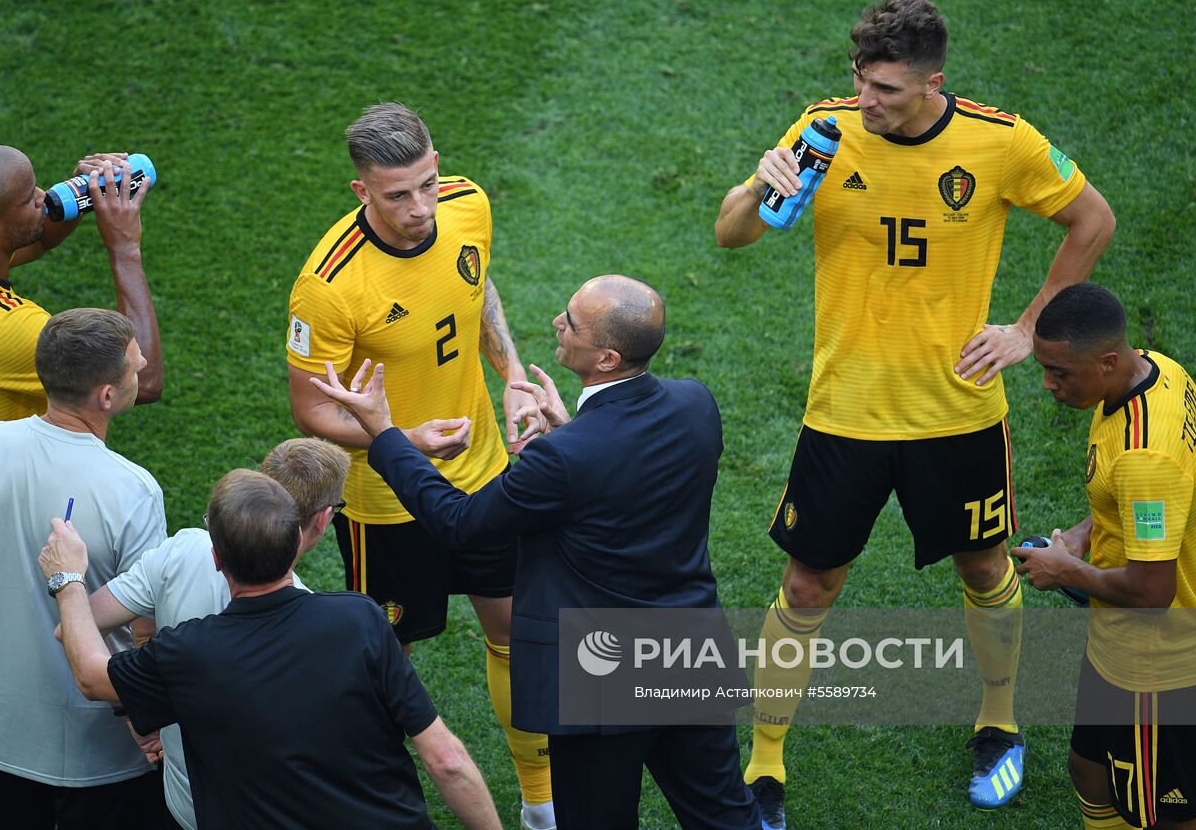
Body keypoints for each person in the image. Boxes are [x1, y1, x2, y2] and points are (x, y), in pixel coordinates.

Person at [712, 0, 1117, 820]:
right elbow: (731, 236)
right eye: (862, 82)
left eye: (888, 90)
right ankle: (763, 768)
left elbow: (1091, 218)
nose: (868, 102)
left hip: (957, 412)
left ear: (935, 81)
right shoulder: (823, 126)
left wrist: (1028, 327)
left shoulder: (999, 142)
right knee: (809, 583)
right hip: (845, 411)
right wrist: (761, 185)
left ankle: (999, 724)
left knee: (983, 565)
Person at [314, 275, 762, 830]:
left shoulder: (565, 460)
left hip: (600, 672)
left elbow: (461, 523)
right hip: (688, 653)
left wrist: (384, 432)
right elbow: (624, 475)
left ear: (607, 357)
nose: (556, 322)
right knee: (724, 815)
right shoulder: (696, 403)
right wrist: (570, 434)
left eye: (571, 320)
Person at [285, 101, 551, 827]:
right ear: (361, 191)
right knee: (383, 665)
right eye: (399, 194)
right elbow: (310, 411)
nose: (421, 207)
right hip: (386, 505)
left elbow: (477, 287)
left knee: (514, 633)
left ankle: (539, 803)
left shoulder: (468, 206)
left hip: (485, 476)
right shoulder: (330, 285)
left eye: (428, 183)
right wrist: (399, 441)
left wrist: (513, 371)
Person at [0, 144, 161, 829]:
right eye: (28, 198)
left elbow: (34, 232)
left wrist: (80, 193)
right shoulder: (8, 332)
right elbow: (142, 372)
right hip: (13, 515)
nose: (42, 202)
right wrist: (123, 241)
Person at [41, 469, 503, 830]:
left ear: (217, 559)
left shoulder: (188, 652)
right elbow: (448, 761)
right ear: (297, 545)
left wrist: (69, 577)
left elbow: (89, 672)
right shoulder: (359, 619)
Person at [0, 307, 169, 829]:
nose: (145, 361)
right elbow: (145, 629)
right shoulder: (135, 489)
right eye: (134, 362)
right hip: (108, 759)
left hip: (5, 744)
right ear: (106, 395)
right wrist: (142, 720)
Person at [1013, 283, 1196, 830]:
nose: (1048, 384)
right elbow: (1132, 507)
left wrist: (1066, 571)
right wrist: (1084, 533)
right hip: (1120, 646)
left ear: (1107, 361)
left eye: (1060, 372)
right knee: (1088, 770)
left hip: (1159, 666)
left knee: (1169, 816)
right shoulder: (1159, 372)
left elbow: (1153, 592)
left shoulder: (1144, 458)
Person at [75, 437, 352, 830]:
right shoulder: (321, 629)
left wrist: (67, 579)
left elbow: (81, 625)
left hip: (183, 807)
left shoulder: (181, 551)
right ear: (323, 519)